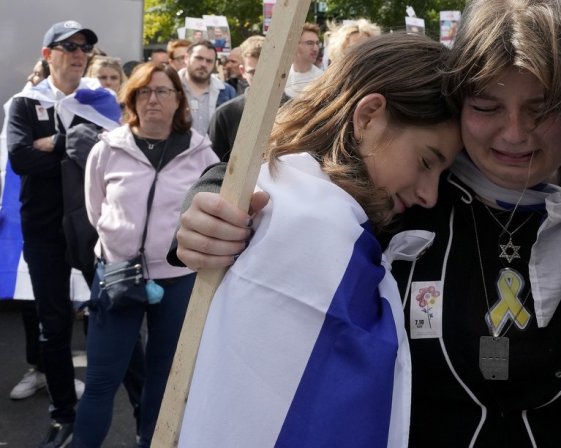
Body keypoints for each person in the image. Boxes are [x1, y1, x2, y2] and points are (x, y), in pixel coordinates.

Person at [175, 0, 561, 446]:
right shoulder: (400, 197)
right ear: (459, 99)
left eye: (541, 109)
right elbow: (292, 174)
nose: (514, 133)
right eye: (487, 107)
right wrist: (210, 203)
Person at [177, 35, 461, 447]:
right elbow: (247, 181)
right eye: (425, 162)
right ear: (369, 116)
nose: (430, 194)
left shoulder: (402, 209)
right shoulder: (268, 200)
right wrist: (208, 204)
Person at [74, 62, 218, 448]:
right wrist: (120, 245)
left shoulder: (202, 154)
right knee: (101, 381)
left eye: (163, 91)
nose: (153, 99)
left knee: (165, 380)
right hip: (117, 274)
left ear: (178, 100)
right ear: (132, 99)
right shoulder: (107, 149)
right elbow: (96, 210)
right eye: (144, 91)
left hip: (178, 279)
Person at [6, 20, 104, 448]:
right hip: (44, 229)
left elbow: (109, 154)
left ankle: (131, 408)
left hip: (93, 226)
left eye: (84, 47)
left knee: (108, 313)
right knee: (54, 323)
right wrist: (71, 144)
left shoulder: (100, 100)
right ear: (48, 55)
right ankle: (63, 414)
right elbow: (20, 159)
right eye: (69, 47)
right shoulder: (25, 103)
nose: (79, 54)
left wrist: (51, 144)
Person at [177, 40, 236, 136]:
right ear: (186, 58)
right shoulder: (171, 87)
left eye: (209, 61)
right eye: (199, 58)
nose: (203, 64)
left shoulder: (227, 92)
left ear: (215, 64)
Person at [284, 23, 324, 98]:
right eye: (309, 43)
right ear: (295, 45)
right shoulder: (282, 77)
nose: (315, 48)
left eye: (317, 43)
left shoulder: (322, 79)